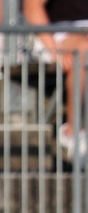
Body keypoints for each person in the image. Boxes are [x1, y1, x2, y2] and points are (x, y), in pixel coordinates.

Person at [24, 0, 88, 160]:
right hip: (61, 33)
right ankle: (73, 133)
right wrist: (55, 51)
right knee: (84, 50)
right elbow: (32, 7)